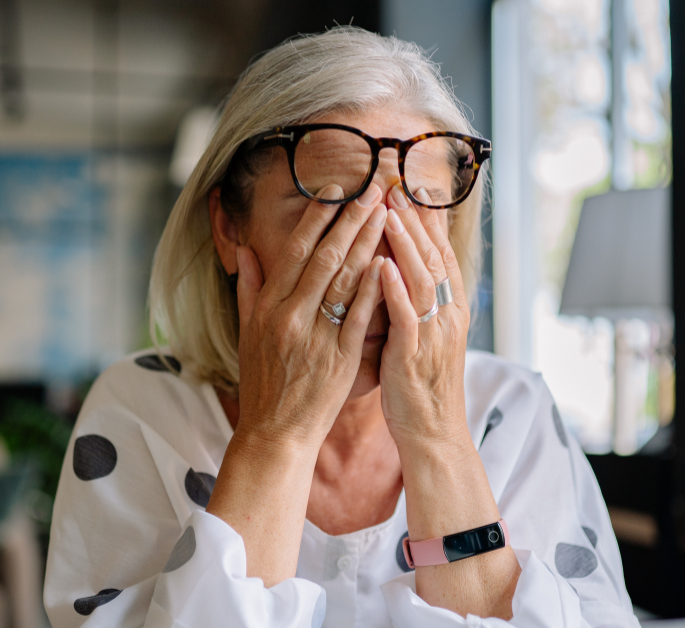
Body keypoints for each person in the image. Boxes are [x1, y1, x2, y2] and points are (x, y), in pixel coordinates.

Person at [44, 26, 639, 628]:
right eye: (331, 211)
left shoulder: (514, 414)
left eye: (419, 210)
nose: (376, 267)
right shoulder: (143, 412)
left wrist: (437, 437)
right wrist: (279, 433)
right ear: (229, 228)